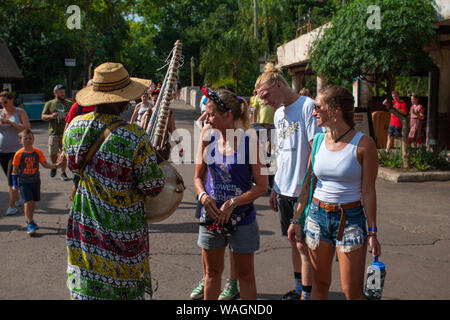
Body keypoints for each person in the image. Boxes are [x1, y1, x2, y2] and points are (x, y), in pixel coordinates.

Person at [62, 62, 165, 300]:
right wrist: (155, 160)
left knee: (87, 289)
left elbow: (73, 166)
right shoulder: (134, 136)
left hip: (84, 227)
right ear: (122, 101)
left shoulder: (74, 128)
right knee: (123, 290)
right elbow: (153, 187)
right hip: (123, 232)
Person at [288, 85, 381, 300]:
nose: (314, 112)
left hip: (350, 221)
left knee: (352, 291)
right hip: (317, 218)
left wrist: (373, 232)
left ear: (335, 110)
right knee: (320, 285)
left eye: (318, 107)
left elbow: (368, 191)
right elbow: (308, 183)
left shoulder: (364, 145)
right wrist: (296, 218)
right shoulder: (319, 141)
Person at [255, 63, 322, 300]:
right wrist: (275, 189)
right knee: (293, 242)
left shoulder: (307, 107)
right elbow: (280, 153)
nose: (264, 101)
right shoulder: (278, 114)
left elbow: (314, 154)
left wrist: (306, 190)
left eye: (266, 95)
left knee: (304, 245)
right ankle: (298, 288)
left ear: (279, 85)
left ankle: (307, 293)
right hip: (284, 190)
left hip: (304, 191)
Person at [193, 87, 267, 300]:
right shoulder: (207, 138)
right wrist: (203, 197)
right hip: (212, 217)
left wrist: (234, 202)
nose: (207, 119)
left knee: (245, 275)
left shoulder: (250, 141)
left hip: (242, 219)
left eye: (211, 114)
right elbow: (198, 177)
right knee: (211, 274)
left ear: (228, 115)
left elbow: (261, 186)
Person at [12, 130, 61, 235]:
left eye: (30, 138)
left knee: (33, 201)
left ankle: (30, 219)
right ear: (21, 141)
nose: (28, 141)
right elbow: (15, 170)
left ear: (33, 139)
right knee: (27, 201)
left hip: (35, 181)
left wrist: (56, 165)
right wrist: (15, 184)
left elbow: (45, 164)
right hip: (24, 182)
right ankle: (29, 223)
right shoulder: (19, 154)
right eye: (26, 139)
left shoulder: (37, 152)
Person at [63, 80, 96, 200]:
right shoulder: (77, 106)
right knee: (77, 182)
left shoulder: (102, 106)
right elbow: (67, 128)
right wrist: (64, 149)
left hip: (97, 150)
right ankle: (75, 207)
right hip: (78, 151)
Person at [0, 91, 31, 215]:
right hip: (2, 150)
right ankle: (16, 196)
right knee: (10, 177)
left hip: (16, 150)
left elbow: (27, 128)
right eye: (1, 102)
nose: (3, 104)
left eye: (5, 102)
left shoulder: (19, 112)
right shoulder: (0, 112)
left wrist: (11, 123)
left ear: (11, 100)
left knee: (10, 177)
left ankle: (12, 205)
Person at [42, 84, 72, 181]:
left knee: (64, 154)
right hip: (53, 133)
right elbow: (43, 117)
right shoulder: (50, 104)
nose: (63, 94)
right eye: (60, 92)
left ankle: (63, 173)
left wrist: (68, 116)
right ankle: (55, 166)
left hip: (65, 133)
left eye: (63, 92)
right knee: (52, 153)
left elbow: (75, 115)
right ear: (55, 93)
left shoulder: (69, 104)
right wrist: (51, 116)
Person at [250, 92, 275, 192]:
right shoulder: (257, 98)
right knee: (262, 154)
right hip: (261, 127)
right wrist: (254, 125)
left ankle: (271, 181)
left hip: (273, 127)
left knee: (272, 154)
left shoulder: (274, 97)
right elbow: (255, 111)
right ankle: (260, 180)